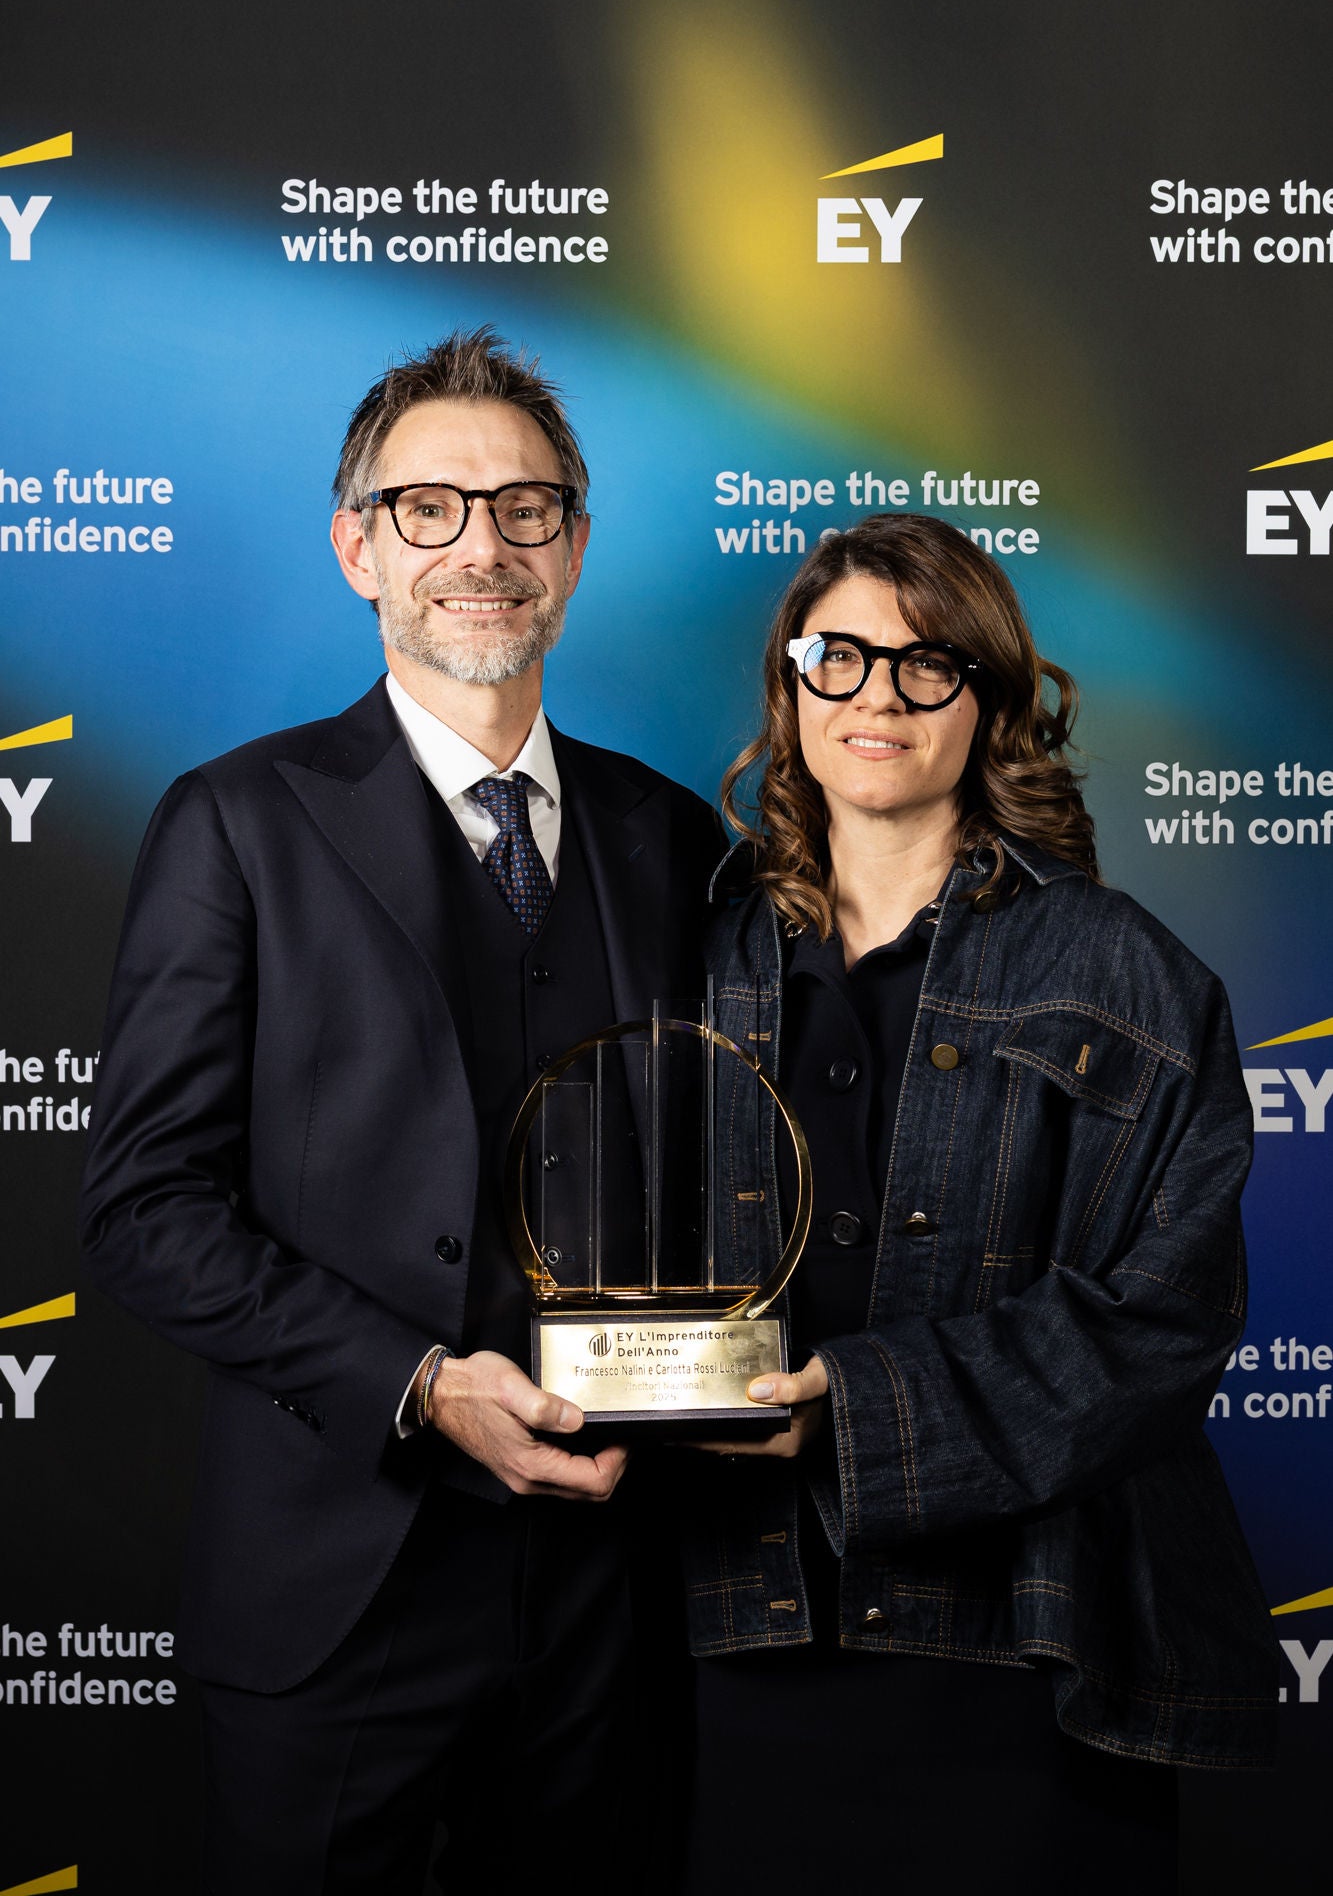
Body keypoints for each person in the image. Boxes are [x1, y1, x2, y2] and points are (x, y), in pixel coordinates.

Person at [79, 329, 721, 1894]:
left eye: (523, 508)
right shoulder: (237, 822)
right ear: (357, 548)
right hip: (336, 1594)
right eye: (429, 509)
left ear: (573, 547)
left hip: (617, 1597)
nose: (480, 550)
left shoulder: (670, 833)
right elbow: (145, 1212)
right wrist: (419, 1383)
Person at [679, 515, 1278, 1893]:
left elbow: (1166, 1321)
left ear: (990, 699)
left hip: (1028, 1660)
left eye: (926, 664)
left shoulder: (1127, 973)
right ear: (790, 686)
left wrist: (857, 1411)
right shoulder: (696, 958)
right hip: (739, 1638)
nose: (876, 697)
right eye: (838, 657)